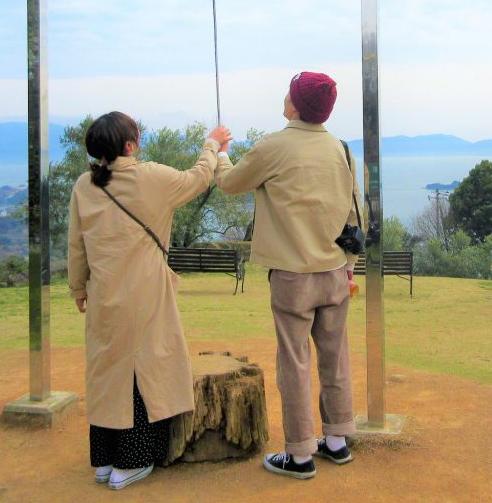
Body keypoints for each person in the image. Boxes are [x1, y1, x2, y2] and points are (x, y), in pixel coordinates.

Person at [68, 112, 232, 491]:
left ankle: (106, 459)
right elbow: (199, 178)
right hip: (145, 291)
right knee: (143, 369)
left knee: (108, 371)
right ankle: (133, 460)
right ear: (129, 145)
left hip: (103, 293)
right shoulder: (151, 177)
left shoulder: (83, 184)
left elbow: (76, 243)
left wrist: (79, 288)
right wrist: (213, 144)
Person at [215, 72, 364, 480]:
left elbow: (229, 183)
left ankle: (299, 455)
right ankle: (336, 441)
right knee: (335, 358)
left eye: (289, 92)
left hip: (293, 277)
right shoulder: (341, 149)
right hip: (335, 271)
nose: (285, 96)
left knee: (294, 363)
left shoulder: (273, 146)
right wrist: (349, 268)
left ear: (296, 104)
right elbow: (355, 216)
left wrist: (221, 153)